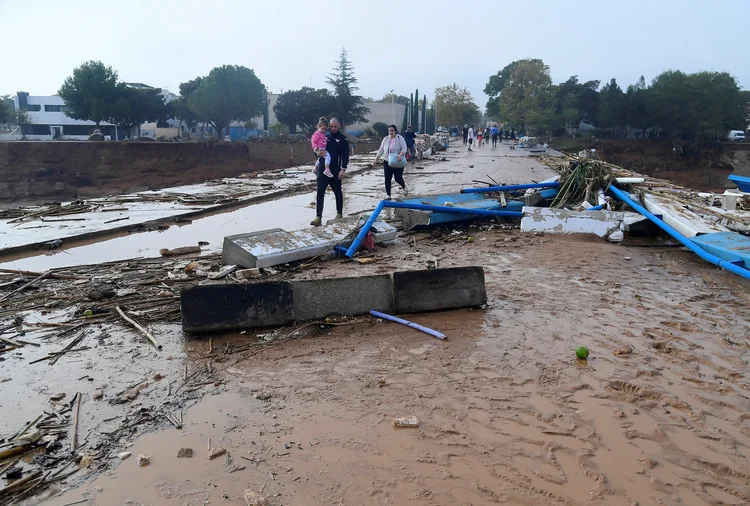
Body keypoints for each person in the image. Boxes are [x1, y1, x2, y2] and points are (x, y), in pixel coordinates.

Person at [310, 118, 348, 226]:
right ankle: (318, 217)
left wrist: (343, 169)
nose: (333, 128)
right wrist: (316, 154)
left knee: (338, 192)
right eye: (331, 127)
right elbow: (316, 148)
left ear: (339, 126)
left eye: (335, 127)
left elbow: (345, 156)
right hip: (323, 169)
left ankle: (339, 213)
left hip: (336, 170)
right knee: (320, 193)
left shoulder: (343, 139)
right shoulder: (324, 137)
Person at [374, 125, 408, 199]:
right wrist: (376, 159)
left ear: (395, 131)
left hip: (397, 160)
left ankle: (404, 187)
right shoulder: (386, 139)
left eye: (392, 130)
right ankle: (388, 194)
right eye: (389, 130)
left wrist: (400, 155)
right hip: (387, 161)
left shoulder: (399, 138)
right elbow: (381, 150)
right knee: (387, 178)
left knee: (398, 178)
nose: (391, 132)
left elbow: (404, 148)